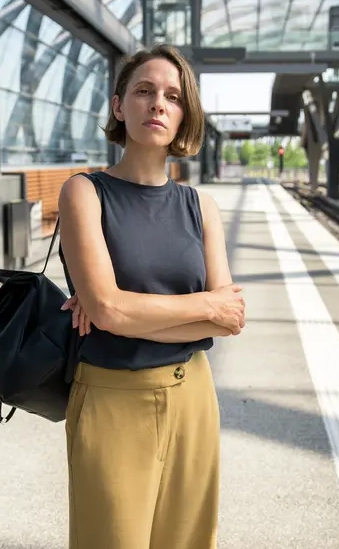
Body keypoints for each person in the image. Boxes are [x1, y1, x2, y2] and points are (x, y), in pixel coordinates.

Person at [56, 44, 246, 549]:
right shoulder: (84, 192)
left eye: (172, 96)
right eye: (143, 91)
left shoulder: (200, 206)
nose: (157, 104)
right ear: (119, 106)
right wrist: (204, 305)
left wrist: (125, 312)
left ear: (184, 115)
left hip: (193, 399)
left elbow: (230, 320)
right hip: (113, 400)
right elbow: (108, 309)